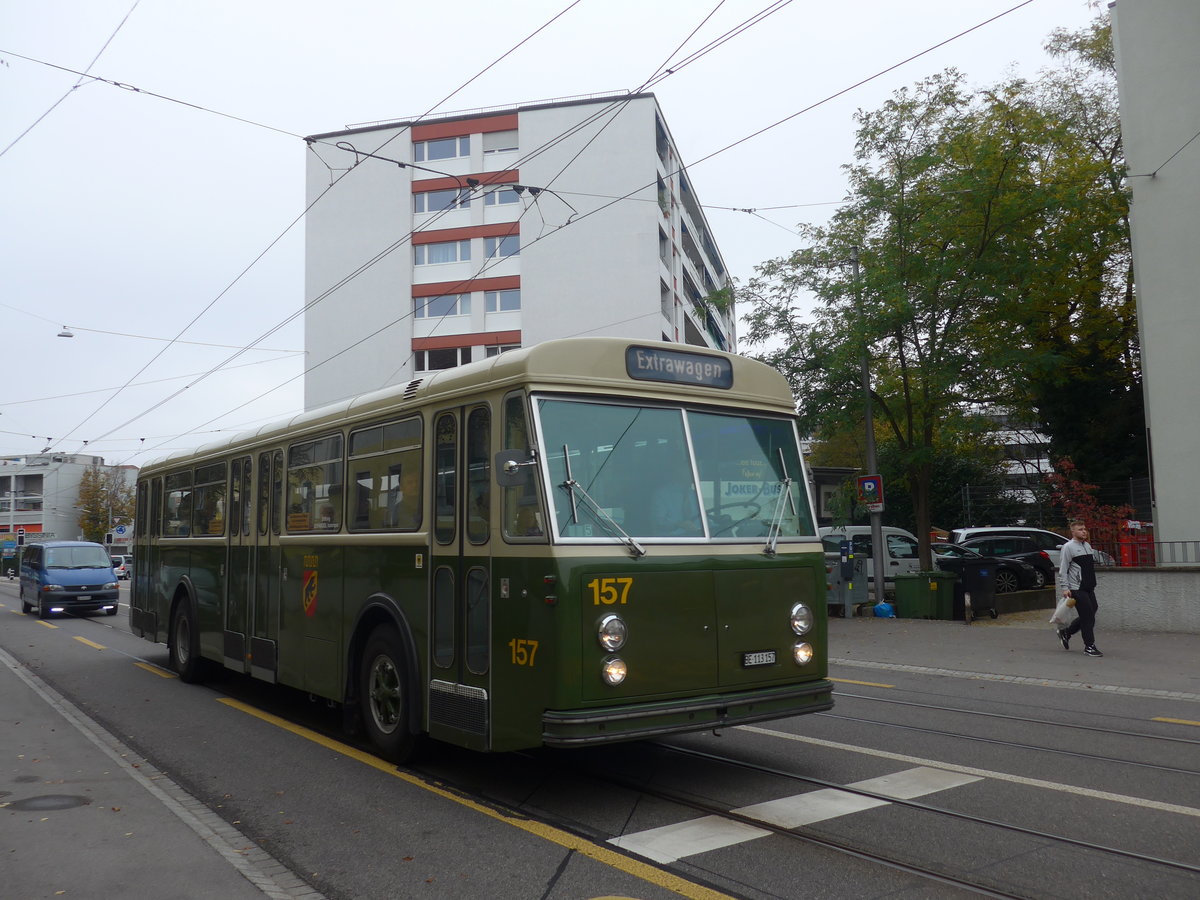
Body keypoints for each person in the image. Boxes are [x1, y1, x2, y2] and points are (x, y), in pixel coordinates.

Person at [1057, 520, 1103, 657]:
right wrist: (1065, 587)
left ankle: (1066, 632)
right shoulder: (1068, 547)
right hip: (1077, 588)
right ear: (1073, 532)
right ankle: (1089, 646)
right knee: (1088, 617)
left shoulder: (1087, 546)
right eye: (1080, 529)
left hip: (1089, 587)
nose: (1084, 531)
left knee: (1092, 611)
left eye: (1084, 529)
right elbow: (1063, 569)